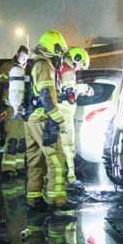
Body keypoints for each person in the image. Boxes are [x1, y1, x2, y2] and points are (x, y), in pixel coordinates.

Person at [24, 30, 77, 212]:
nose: (61, 54)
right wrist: (59, 121)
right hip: (43, 120)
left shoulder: (34, 64)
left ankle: (34, 199)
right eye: (60, 49)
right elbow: (47, 98)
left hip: (31, 120)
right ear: (52, 48)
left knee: (35, 162)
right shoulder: (45, 66)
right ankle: (58, 201)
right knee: (56, 160)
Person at [55, 45, 91, 194]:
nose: (80, 68)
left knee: (60, 147)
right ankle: (69, 179)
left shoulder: (61, 67)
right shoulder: (68, 71)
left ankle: (58, 177)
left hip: (60, 112)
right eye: (81, 64)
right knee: (67, 146)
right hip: (64, 113)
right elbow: (70, 91)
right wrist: (85, 88)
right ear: (76, 58)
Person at [0, 45, 30, 177]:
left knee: (22, 138)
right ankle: (8, 168)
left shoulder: (26, 69)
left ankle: (20, 165)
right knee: (12, 138)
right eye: (23, 57)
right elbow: (2, 83)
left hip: (22, 107)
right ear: (17, 54)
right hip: (11, 107)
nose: (24, 60)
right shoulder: (7, 67)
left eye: (26, 58)